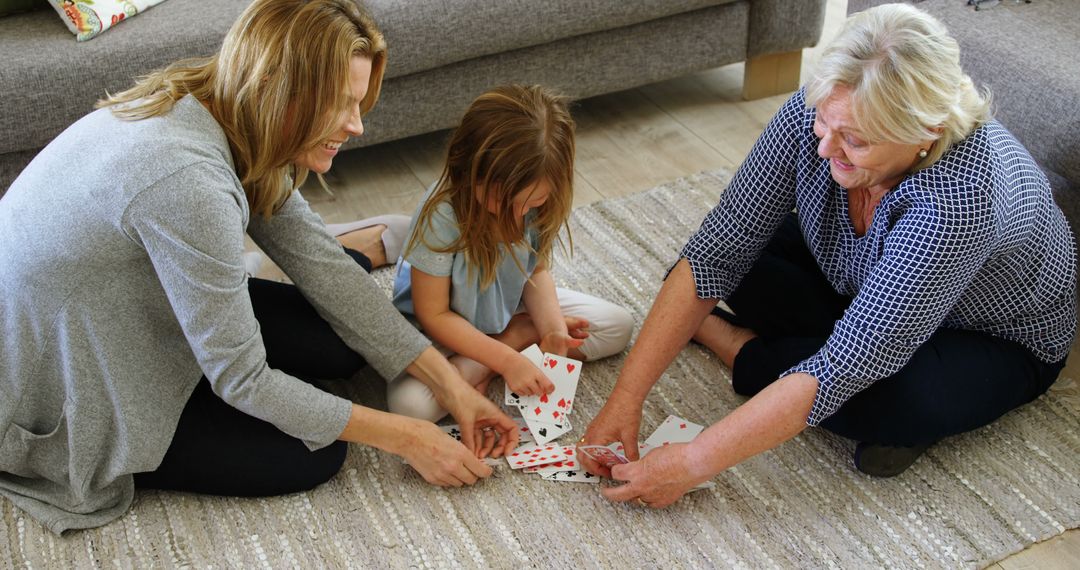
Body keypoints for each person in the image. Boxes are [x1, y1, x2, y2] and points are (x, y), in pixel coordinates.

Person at [0, 0, 519, 535]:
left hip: (124, 305)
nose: (357, 126)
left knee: (342, 342)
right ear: (278, 85)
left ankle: (259, 272)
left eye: (359, 104)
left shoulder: (228, 108)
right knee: (312, 455)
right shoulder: (188, 183)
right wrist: (406, 436)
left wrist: (457, 391)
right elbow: (241, 378)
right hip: (66, 381)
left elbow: (323, 266)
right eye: (341, 105)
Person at [580, 3, 1077, 508]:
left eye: (854, 141)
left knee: (887, 394)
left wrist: (690, 463)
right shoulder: (823, 111)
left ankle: (736, 344)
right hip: (864, 282)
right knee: (729, 260)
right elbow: (716, 250)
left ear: (924, 133)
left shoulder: (963, 199)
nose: (824, 148)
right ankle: (778, 349)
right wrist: (625, 400)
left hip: (990, 336)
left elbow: (849, 364)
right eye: (824, 122)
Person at [387, 85, 634, 422]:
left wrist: (551, 330)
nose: (519, 214)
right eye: (506, 201)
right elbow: (435, 315)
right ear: (469, 170)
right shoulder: (442, 214)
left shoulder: (538, 202)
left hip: (507, 305)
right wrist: (506, 358)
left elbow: (536, 271)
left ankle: (516, 337)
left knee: (617, 326)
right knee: (411, 406)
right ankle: (516, 337)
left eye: (532, 203)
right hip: (439, 329)